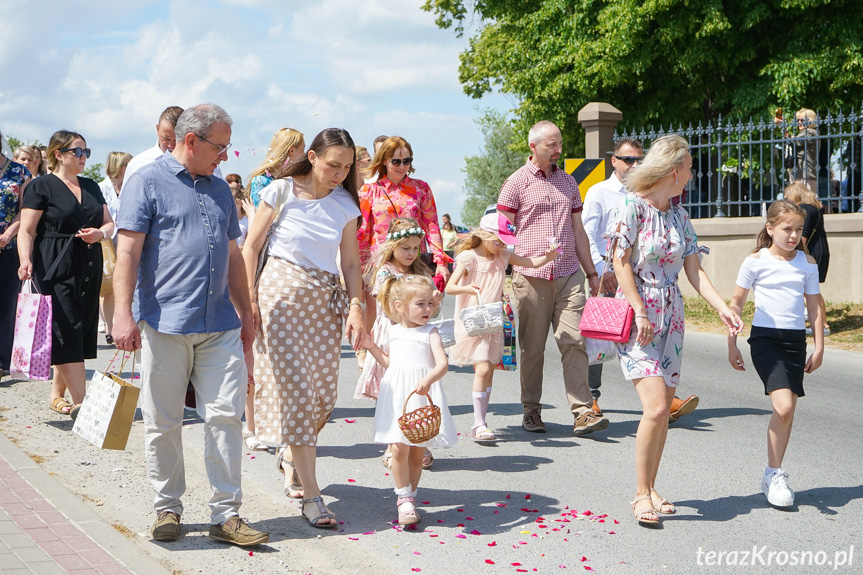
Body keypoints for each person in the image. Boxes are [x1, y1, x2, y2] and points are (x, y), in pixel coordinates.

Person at [113, 104, 268, 546]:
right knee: (163, 420)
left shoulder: (221, 190)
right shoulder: (145, 180)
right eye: (220, 147)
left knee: (226, 417)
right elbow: (127, 252)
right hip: (166, 321)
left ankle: (226, 515)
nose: (225, 156)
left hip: (219, 321)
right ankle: (167, 507)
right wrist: (123, 313)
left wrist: (246, 311)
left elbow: (234, 254)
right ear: (192, 140)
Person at [608, 134, 741, 526]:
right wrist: (639, 310)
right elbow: (621, 263)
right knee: (653, 407)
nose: (692, 175)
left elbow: (693, 271)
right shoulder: (631, 208)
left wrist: (723, 309)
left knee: (664, 410)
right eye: (690, 168)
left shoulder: (680, 216)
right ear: (674, 170)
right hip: (640, 317)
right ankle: (638, 495)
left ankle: (651, 487)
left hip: (672, 316)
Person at [241, 128, 364, 529]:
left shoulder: (346, 203)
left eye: (346, 167)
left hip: (325, 302)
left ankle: (292, 453)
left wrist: (357, 307)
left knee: (322, 396)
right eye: (333, 164)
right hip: (280, 294)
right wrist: (251, 299)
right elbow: (251, 247)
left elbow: (349, 265)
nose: (339, 172)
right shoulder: (280, 191)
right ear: (311, 156)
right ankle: (313, 497)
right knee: (296, 389)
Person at [496, 120, 606, 436]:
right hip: (531, 276)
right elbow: (502, 238)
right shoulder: (515, 184)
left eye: (559, 144)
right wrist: (506, 275)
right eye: (551, 145)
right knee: (533, 348)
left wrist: (591, 272)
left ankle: (584, 411)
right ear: (534, 146)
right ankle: (531, 410)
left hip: (569, 274)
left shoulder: (569, 183)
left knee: (574, 340)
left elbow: (579, 231)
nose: (558, 150)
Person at [582, 138, 700, 422]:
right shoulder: (601, 192)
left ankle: (662, 399)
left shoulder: (673, 210)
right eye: (627, 159)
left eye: (638, 159)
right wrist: (599, 271)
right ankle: (592, 396)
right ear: (615, 161)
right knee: (603, 334)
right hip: (610, 274)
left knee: (647, 364)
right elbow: (587, 234)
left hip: (653, 286)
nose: (633, 164)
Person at [727, 200, 823, 508]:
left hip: (796, 342)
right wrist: (732, 343)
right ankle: (773, 472)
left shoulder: (807, 263)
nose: (793, 235)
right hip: (766, 339)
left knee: (788, 411)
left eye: (798, 230)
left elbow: (814, 307)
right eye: (787, 229)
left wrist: (819, 346)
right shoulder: (755, 261)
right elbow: (736, 304)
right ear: (770, 229)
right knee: (782, 407)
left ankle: (774, 474)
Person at [18, 130, 114, 418]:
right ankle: (85, 406)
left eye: (86, 152)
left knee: (79, 330)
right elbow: (27, 229)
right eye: (78, 152)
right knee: (64, 330)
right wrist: (25, 260)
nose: (84, 157)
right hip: (54, 263)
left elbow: (109, 224)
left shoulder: (92, 187)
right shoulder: (42, 186)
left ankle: (57, 395)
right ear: (58, 155)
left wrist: (100, 234)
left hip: (88, 263)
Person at [446, 206, 557, 441]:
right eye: (498, 241)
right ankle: (478, 424)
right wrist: (467, 288)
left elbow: (529, 263)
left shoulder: (503, 256)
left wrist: (549, 256)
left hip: (494, 320)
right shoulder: (468, 257)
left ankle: (482, 421)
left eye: (504, 242)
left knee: (489, 372)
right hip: (474, 320)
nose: (502, 246)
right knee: (483, 368)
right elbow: (450, 287)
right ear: (485, 235)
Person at [363, 274, 456, 525]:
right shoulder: (393, 332)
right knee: (398, 447)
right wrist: (372, 346)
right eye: (420, 304)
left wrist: (428, 380)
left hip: (420, 394)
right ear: (400, 307)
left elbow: (443, 364)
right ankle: (403, 499)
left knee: (417, 452)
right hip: (398, 395)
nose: (428, 309)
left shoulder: (431, 331)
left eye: (429, 303)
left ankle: (411, 496)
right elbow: (390, 364)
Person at [355, 218, 431, 402]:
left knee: (413, 378)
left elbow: (428, 305)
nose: (411, 253)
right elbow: (387, 305)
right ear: (393, 246)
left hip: (416, 331)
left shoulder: (419, 271)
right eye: (406, 248)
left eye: (415, 248)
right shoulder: (385, 272)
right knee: (393, 379)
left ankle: (411, 416)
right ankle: (391, 417)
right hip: (391, 331)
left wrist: (433, 301)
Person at [0, 133, 30, 379]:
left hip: (9, 248)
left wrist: (9, 233)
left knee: (7, 305)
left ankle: (3, 360)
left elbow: (26, 210)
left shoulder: (20, 173)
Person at [783, 183, 831, 336]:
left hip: (811, 252)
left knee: (810, 290)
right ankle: (821, 324)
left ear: (795, 194)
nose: (787, 200)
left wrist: (791, 253)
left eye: (788, 196)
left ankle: (822, 325)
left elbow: (803, 235)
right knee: (811, 289)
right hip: (820, 250)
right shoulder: (814, 207)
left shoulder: (804, 210)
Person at [97, 151, 133, 344]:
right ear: (121, 167)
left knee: (127, 283)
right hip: (108, 242)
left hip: (128, 240)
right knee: (108, 287)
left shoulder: (133, 186)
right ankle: (110, 328)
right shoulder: (101, 188)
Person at [246, 127, 304, 208]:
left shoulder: (297, 179)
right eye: (302, 150)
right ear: (292, 151)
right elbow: (261, 216)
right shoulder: (261, 181)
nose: (304, 155)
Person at [124, 106, 184, 181]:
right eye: (166, 138)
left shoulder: (196, 165)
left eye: (177, 140)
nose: (171, 145)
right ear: (157, 129)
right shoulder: (137, 165)